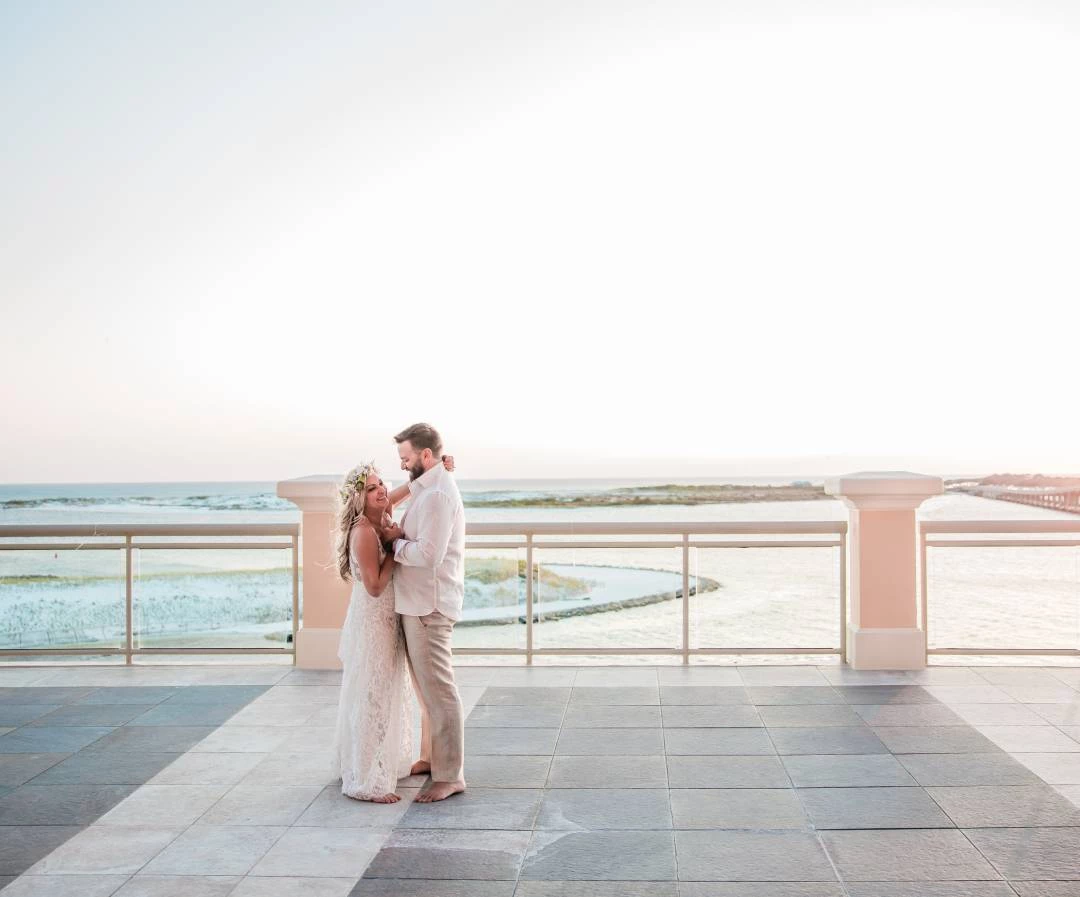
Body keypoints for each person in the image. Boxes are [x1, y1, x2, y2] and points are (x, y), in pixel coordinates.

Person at [330, 453, 452, 802]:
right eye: (371, 489)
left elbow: (404, 492)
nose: (382, 491)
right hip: (373, 619)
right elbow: (374, 585)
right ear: (358, 499)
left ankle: (374, 761)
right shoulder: (366, 532)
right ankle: (365, 781)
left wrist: (437, 468)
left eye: (380, 483)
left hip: (385, 617)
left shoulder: (378, 513)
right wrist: (392, 546)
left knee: (380, 690)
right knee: (374, 695)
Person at [385, 422, 467, 802]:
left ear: (426, 455)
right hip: (418, 603)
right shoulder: (428, 487)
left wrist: (395, 544)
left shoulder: (437, 495)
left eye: (406, 458)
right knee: (425, 690)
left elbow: (429, 554)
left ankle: (450, 775)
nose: (402, 465)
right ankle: (432, 758)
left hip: (429, 606)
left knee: (439, 691)